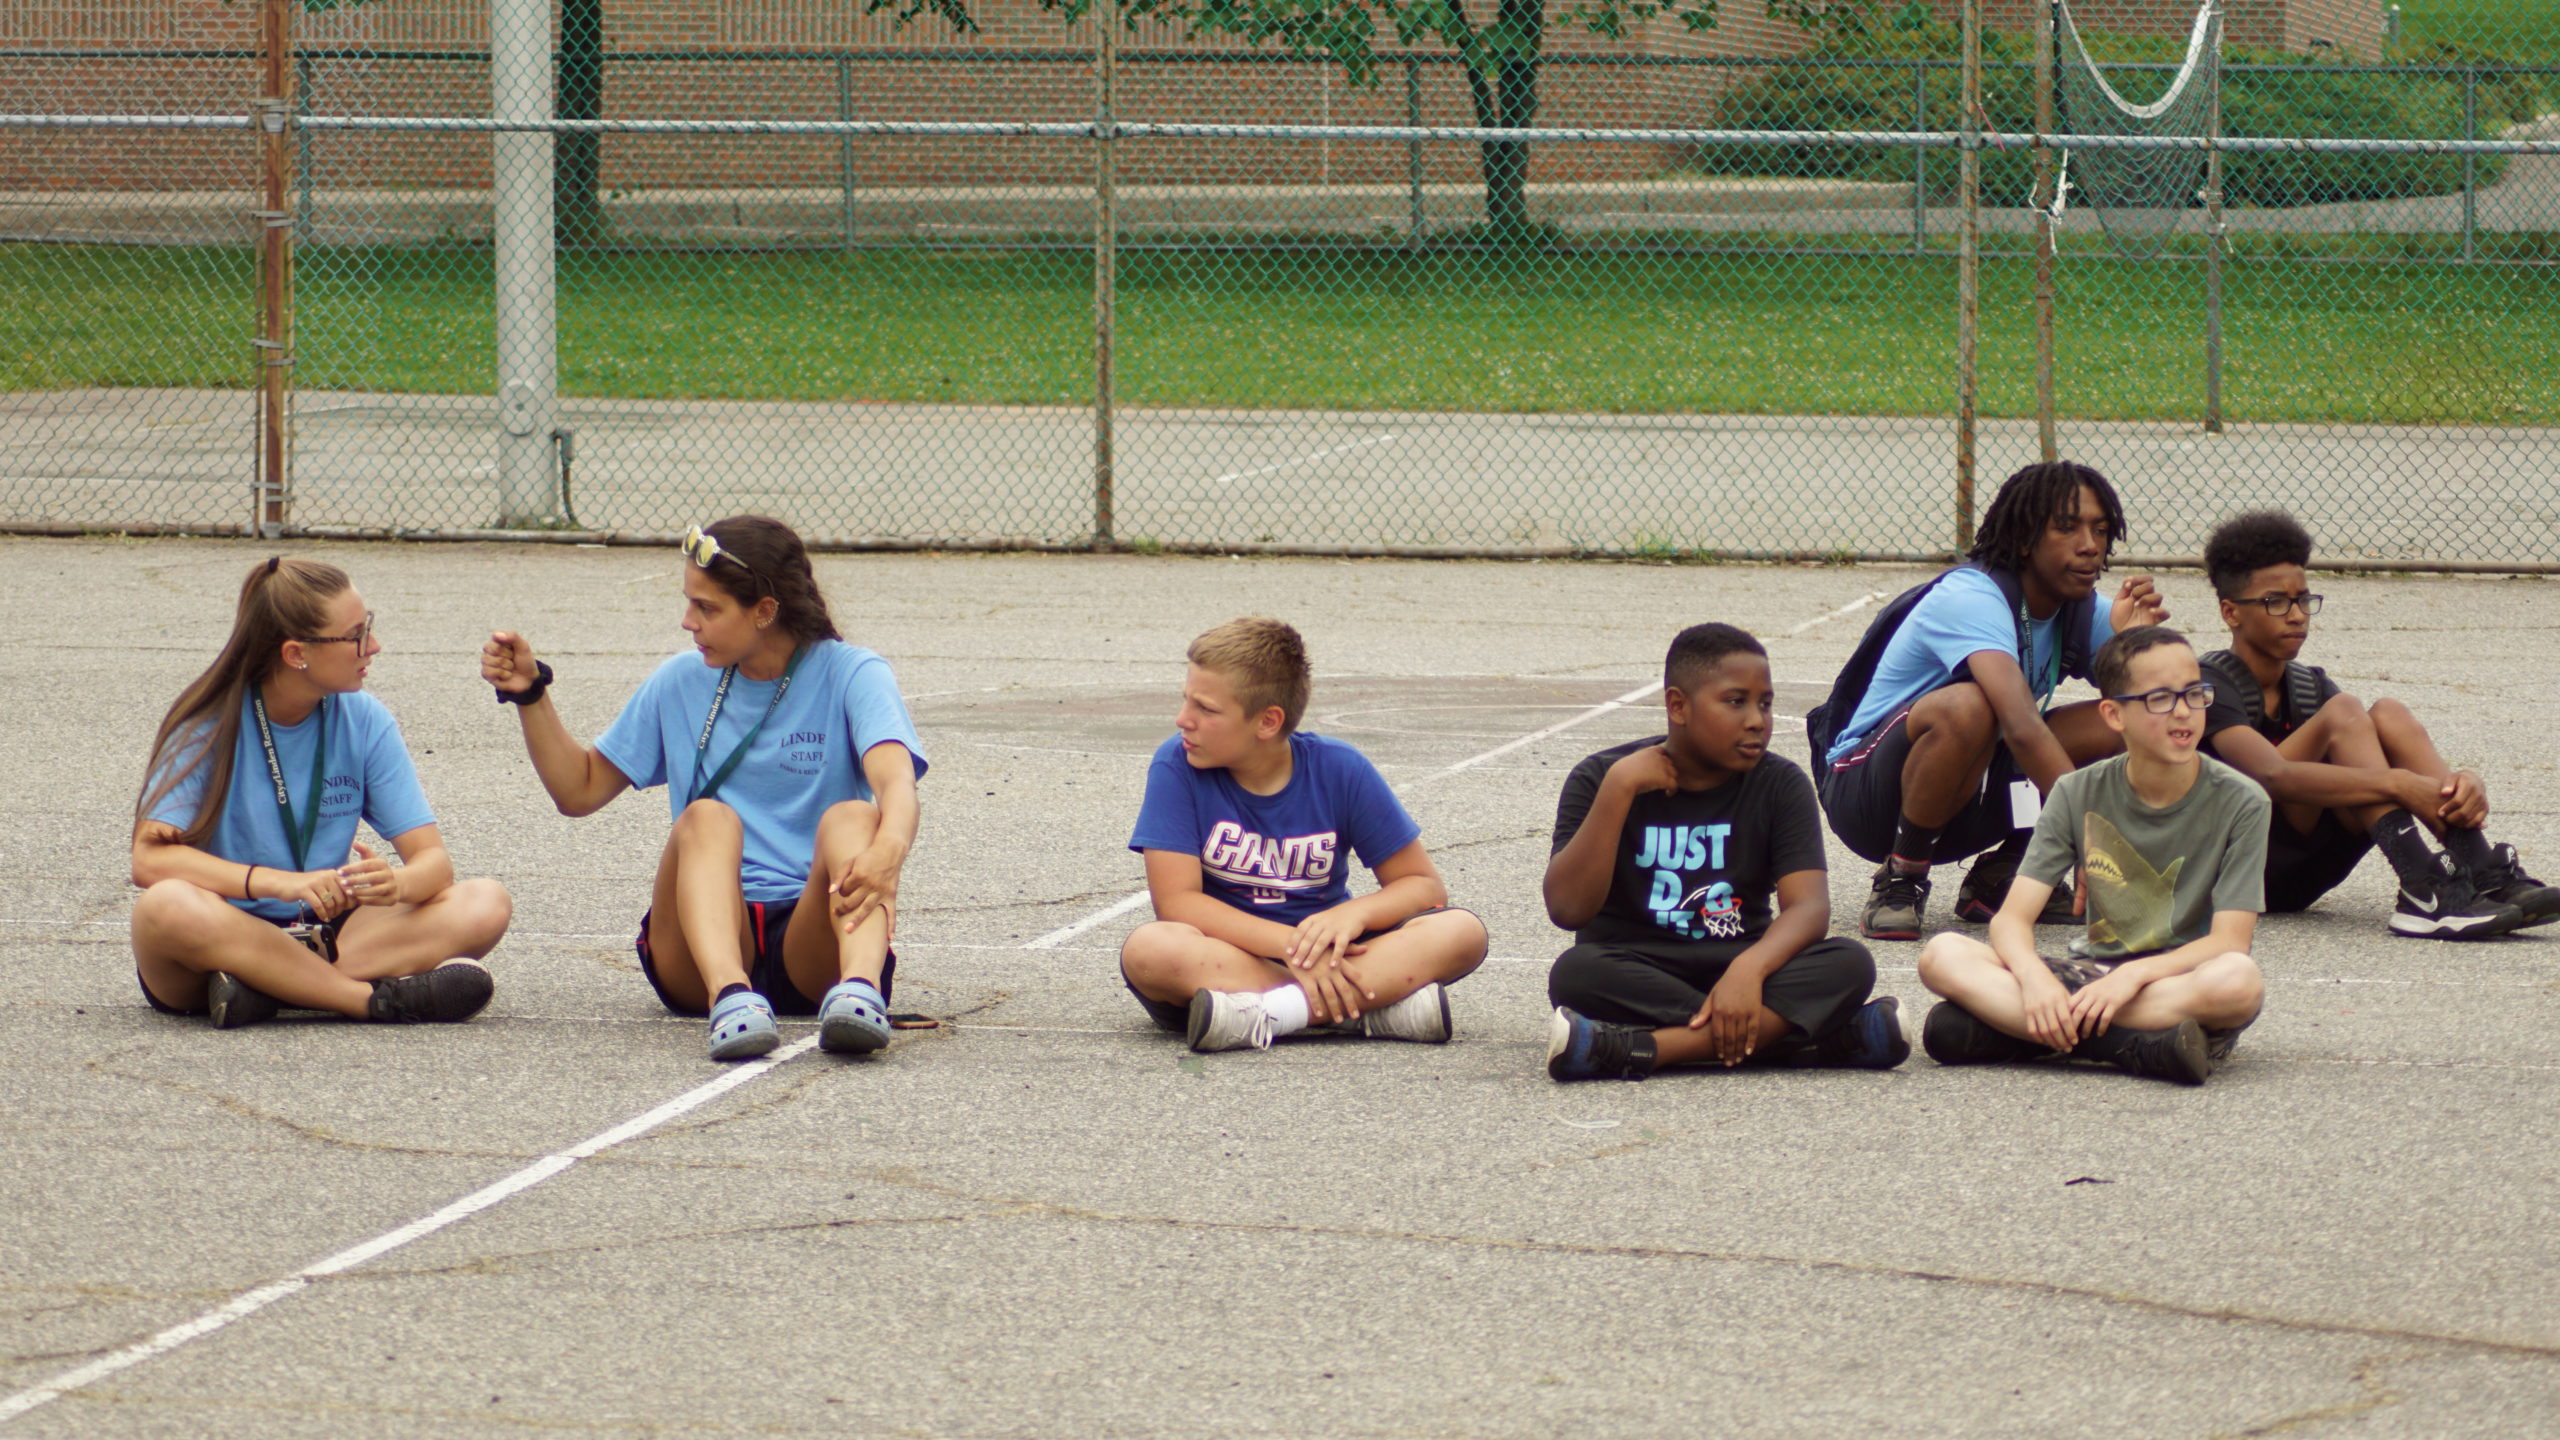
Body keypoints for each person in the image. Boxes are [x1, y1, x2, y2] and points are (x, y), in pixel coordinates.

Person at [482, 516, 926, 1062]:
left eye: (707, 608)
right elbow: (580, 790)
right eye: (689, 603)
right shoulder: (680, 680)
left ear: (764, 611)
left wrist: (888, 853)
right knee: (706, 816)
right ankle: (731, 997)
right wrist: (530, 695)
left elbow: (895, 781)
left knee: (855, 816)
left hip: (813, 938)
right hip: (702, 944)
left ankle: (858, 991)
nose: (688, 622)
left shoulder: (853, 672)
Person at [130, 556, 510, 1028]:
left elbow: (434, 864)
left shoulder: (365, 718)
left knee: (486, 902)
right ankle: (370, 1001)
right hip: (219, 933)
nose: (374, 646)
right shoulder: (205, 723)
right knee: (165, 906)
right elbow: (149, 861)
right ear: (296, 654)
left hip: (328, 935)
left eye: (369, 628)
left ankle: (263, 990)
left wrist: (395, 884)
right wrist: (278, 883)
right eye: (356, 635)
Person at [1807, 460, 2169, 941]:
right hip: (1871, 798)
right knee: (1972, 706)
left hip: (1971, 797)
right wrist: (2090, 835)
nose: (2089, 544)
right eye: (2067, 528)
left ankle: (2007, 874)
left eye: (2100, 530)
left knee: (2132, 716)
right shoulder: (1971, 597)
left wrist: (2134, 645)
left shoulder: (2086, 609)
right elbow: (2020, 725)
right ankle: (1901, 877)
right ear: (2024, 538)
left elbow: (2163, 711)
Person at [1543, 624, 1905, 1082]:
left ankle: (1644, 1048)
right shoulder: (1601, 777)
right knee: (1575, 974)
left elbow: (1809, 908)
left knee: (1849, 963)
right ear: (1678, 706)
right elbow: (1568, 909)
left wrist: (1748, 969)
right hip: (1636, 970)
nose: (1757, 720)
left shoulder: (1779, 784)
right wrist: (1619, 791)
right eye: (1736, 702)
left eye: (1765, 703)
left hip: (1744, 964)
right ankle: (1807, 1041)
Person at [1915, 626, 2267, 1085]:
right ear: (2113, 714)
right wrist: (2034, 979)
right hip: (2090, 976)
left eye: (2194, 693)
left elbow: (2229, 943)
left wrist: (2133, 977)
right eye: (2160, 698)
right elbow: (2011, 920)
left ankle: (2033, 1032)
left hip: (2177, 982)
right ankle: (2131, 1045)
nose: (2183, 711)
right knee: (1941, 955)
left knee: (2238, 982)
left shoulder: (2244, 802)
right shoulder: (2076, 790)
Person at [1119, 617, 1488, 1053]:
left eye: (1207, 710)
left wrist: (1353, 916)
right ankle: (1364, 1010)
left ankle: (1271, 1014)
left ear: (1267, 722)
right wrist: (1293, 949)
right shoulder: (1176, 764)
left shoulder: (1340, 768)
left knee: (1462, 930)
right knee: (1150, 949)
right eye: (1186, 700)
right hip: (1230, 958)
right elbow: (1178, 903)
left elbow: (1422, 886)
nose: (1183, 720)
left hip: (1330, 955)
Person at [2197, 510, 2555, 939]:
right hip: (2242, 875)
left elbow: (2365, 752)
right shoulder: (2205, 686)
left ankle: (2483, 868)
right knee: (2346, 712)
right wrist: (2399, 784)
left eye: (2303, 600)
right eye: (2276, 601)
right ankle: (2422, 886)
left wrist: (2462, 783)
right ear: (2231, 612)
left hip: (2309, 870)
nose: (2296, 615)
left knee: (2388, 714)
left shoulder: (2310, 686)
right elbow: (2271, 775)